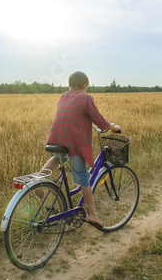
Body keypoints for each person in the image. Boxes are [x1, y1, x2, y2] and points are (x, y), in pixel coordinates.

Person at [42, 71, 121, 228]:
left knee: (59, 157)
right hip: (73, 143)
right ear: (85, 85)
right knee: (84, 178)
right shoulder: (86, 98)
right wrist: (113, 127)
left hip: (57, 138)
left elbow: (70, 115)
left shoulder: (64, 96)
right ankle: (92, 214)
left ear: (69, 84)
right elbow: (98, 119)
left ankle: (40, 178)